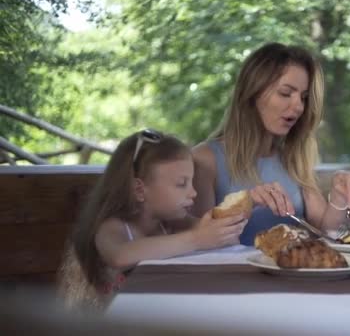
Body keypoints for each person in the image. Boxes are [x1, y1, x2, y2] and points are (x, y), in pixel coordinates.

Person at [192, 42, 350, 245]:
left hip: (294, 273)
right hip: (231, 276)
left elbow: (328, 232)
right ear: (252, 92)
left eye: (304, 97)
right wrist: (248, 202)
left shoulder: (293, 158)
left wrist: (339, 198)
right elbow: (198, 238)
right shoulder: (204, 159)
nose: (299, 106)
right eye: (285, 93)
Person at [58, 129, 245, 311]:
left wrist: (224, 227)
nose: (193, 192)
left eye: (192, 182)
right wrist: (197, 238)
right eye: (182, 184)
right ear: (140, 189)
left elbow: (222, 240)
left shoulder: (173, 222)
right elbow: (119, 255)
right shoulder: (112, 227)